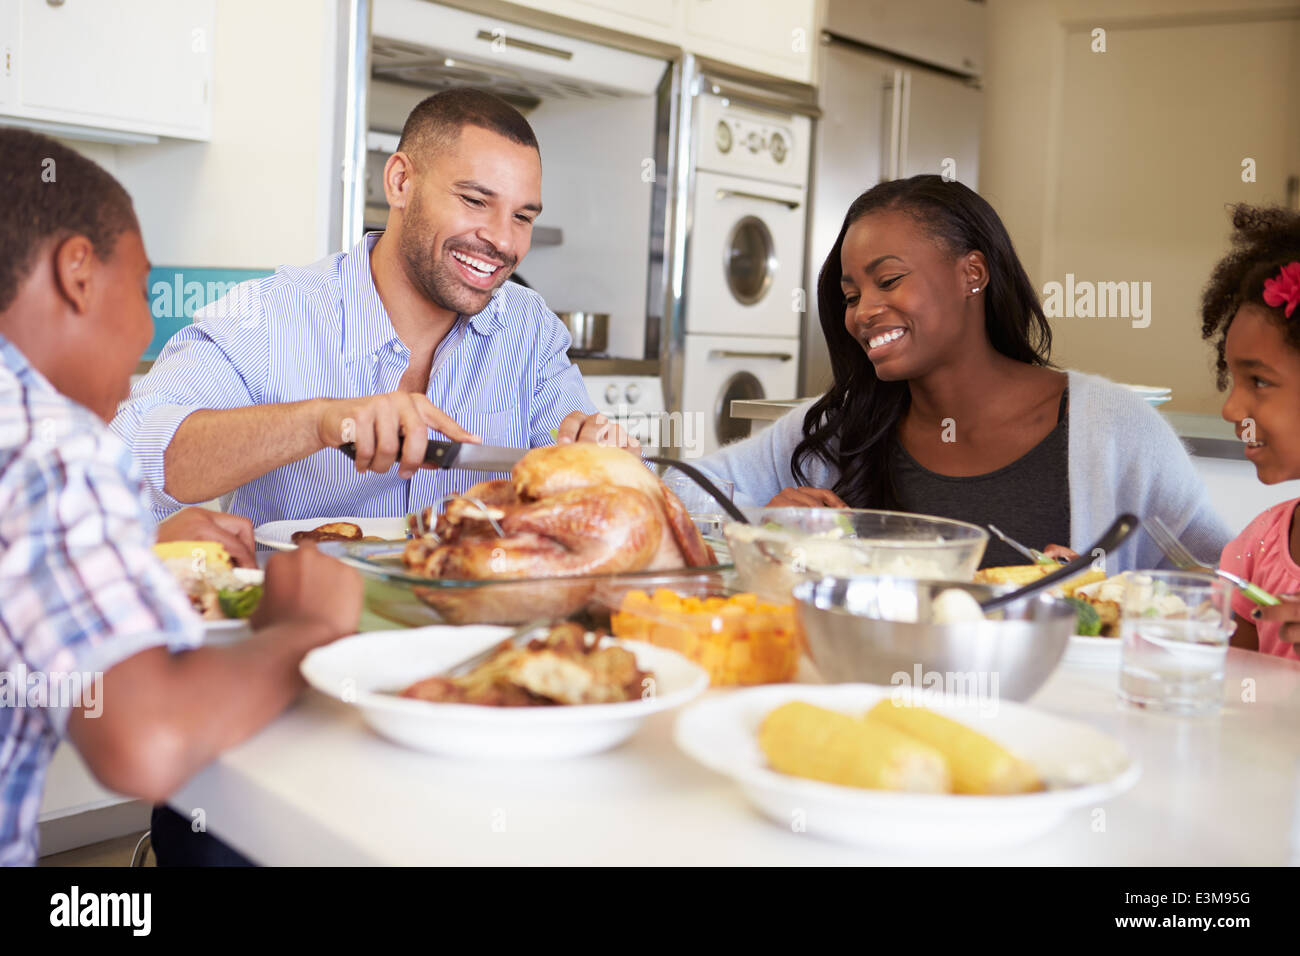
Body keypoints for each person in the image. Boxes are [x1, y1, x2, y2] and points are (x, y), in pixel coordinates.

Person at [0, 128, 363, 865]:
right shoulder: (54, 442)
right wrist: (303, 629)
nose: (143, 329)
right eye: (140, 289)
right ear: (77, 273)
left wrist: (129, 554)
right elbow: (147, 743)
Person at [111, 89, 632, 526]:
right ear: (401, 182)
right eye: (475, 201)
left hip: (480, 635)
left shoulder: (529, 330)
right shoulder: (270, 317)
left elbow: (583, 500)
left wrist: (600, 461)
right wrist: (319, 422)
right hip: (308, 635)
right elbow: (124, 463)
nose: (502, 241)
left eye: (522, 216)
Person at [695, 175, 1230, 570]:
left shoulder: (1115, 428)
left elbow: (1222, 590)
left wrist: (1105, 600)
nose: (862, 312)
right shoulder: (844, 426)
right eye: (851, 295)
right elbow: (678, 493)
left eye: (889, 280)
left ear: (971, 273)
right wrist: (756, 524)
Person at [1202, 204, 1300, 657]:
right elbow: (1235, 693)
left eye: (1258, 381)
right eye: (1234, 379)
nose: (1231, 408)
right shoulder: (1260, 544)